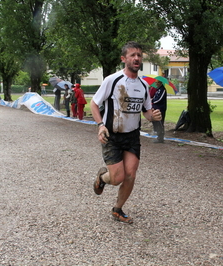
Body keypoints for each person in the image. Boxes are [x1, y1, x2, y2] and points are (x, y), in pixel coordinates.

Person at [90, 41, 162, 224]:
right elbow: (94, 104)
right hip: (111, 135)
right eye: (132, 55)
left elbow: (146, 112)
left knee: (130, 174)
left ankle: (117, 209)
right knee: (117, 178)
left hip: (131, 136)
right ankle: (102, 177)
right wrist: (100, 125)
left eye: (139, 55)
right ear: (124, 59)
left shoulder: (143, 86)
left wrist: (152, 115)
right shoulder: (112, 80)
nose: (137, 58)